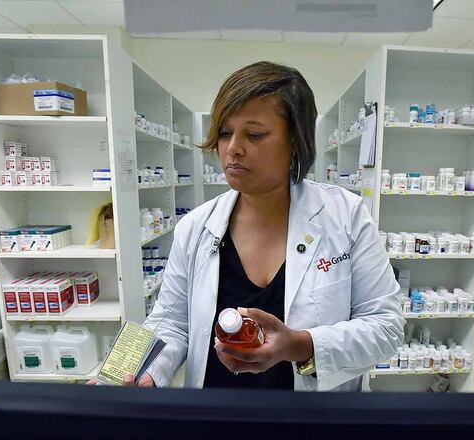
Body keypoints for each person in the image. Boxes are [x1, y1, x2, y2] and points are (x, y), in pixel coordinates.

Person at [131, 61, 403, 391]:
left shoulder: (346, 217)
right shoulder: (195, 226)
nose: (233, 148)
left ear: (295, 140)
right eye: (224, 133)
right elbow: (167, 320)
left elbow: (386, 327)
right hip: (216, 410)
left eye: (254, 134)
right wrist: (127, 371)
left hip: (312, 414)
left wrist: (301, 345)